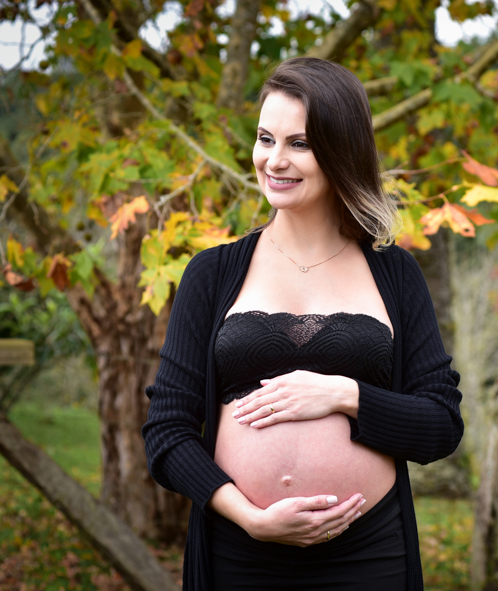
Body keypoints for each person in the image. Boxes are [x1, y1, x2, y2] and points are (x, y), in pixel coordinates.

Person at [143, 57, 464, 591]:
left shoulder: (394, 272)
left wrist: (344, 395)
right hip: (240, 554)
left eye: (300, 144)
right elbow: (167, 431)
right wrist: (249, 517)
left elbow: (441, 424)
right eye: (265, 138)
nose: (274, 160)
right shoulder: (212, 273)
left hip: (367, 557)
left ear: (341, 151)